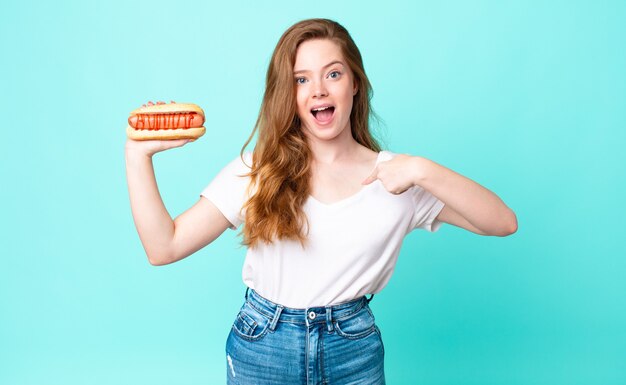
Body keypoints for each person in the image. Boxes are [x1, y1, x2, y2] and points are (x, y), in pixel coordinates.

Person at [125, 18, 517, 385]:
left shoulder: (399, 177)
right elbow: (164, 247)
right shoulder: (258, 170)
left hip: (353, 348)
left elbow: (502, 222)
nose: (319, 91)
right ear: (289, 94)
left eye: (333, 73)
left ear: (355, 84)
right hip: (264, 346)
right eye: (301, 79)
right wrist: (137, 155)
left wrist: (422, 169)